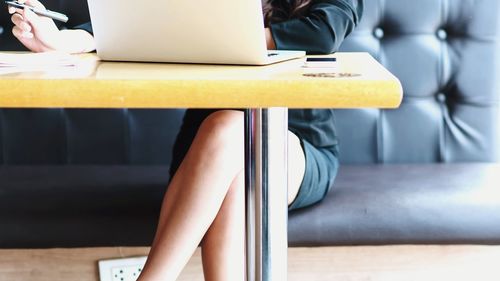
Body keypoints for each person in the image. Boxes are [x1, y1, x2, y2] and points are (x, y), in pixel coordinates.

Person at [9, 0, 363, 280]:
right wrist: (62, 40)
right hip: (203, 159)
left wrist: (215, 38)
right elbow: (142, 24)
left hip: (297, 150)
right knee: (231, 156)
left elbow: (322, 34)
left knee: (231, 130)